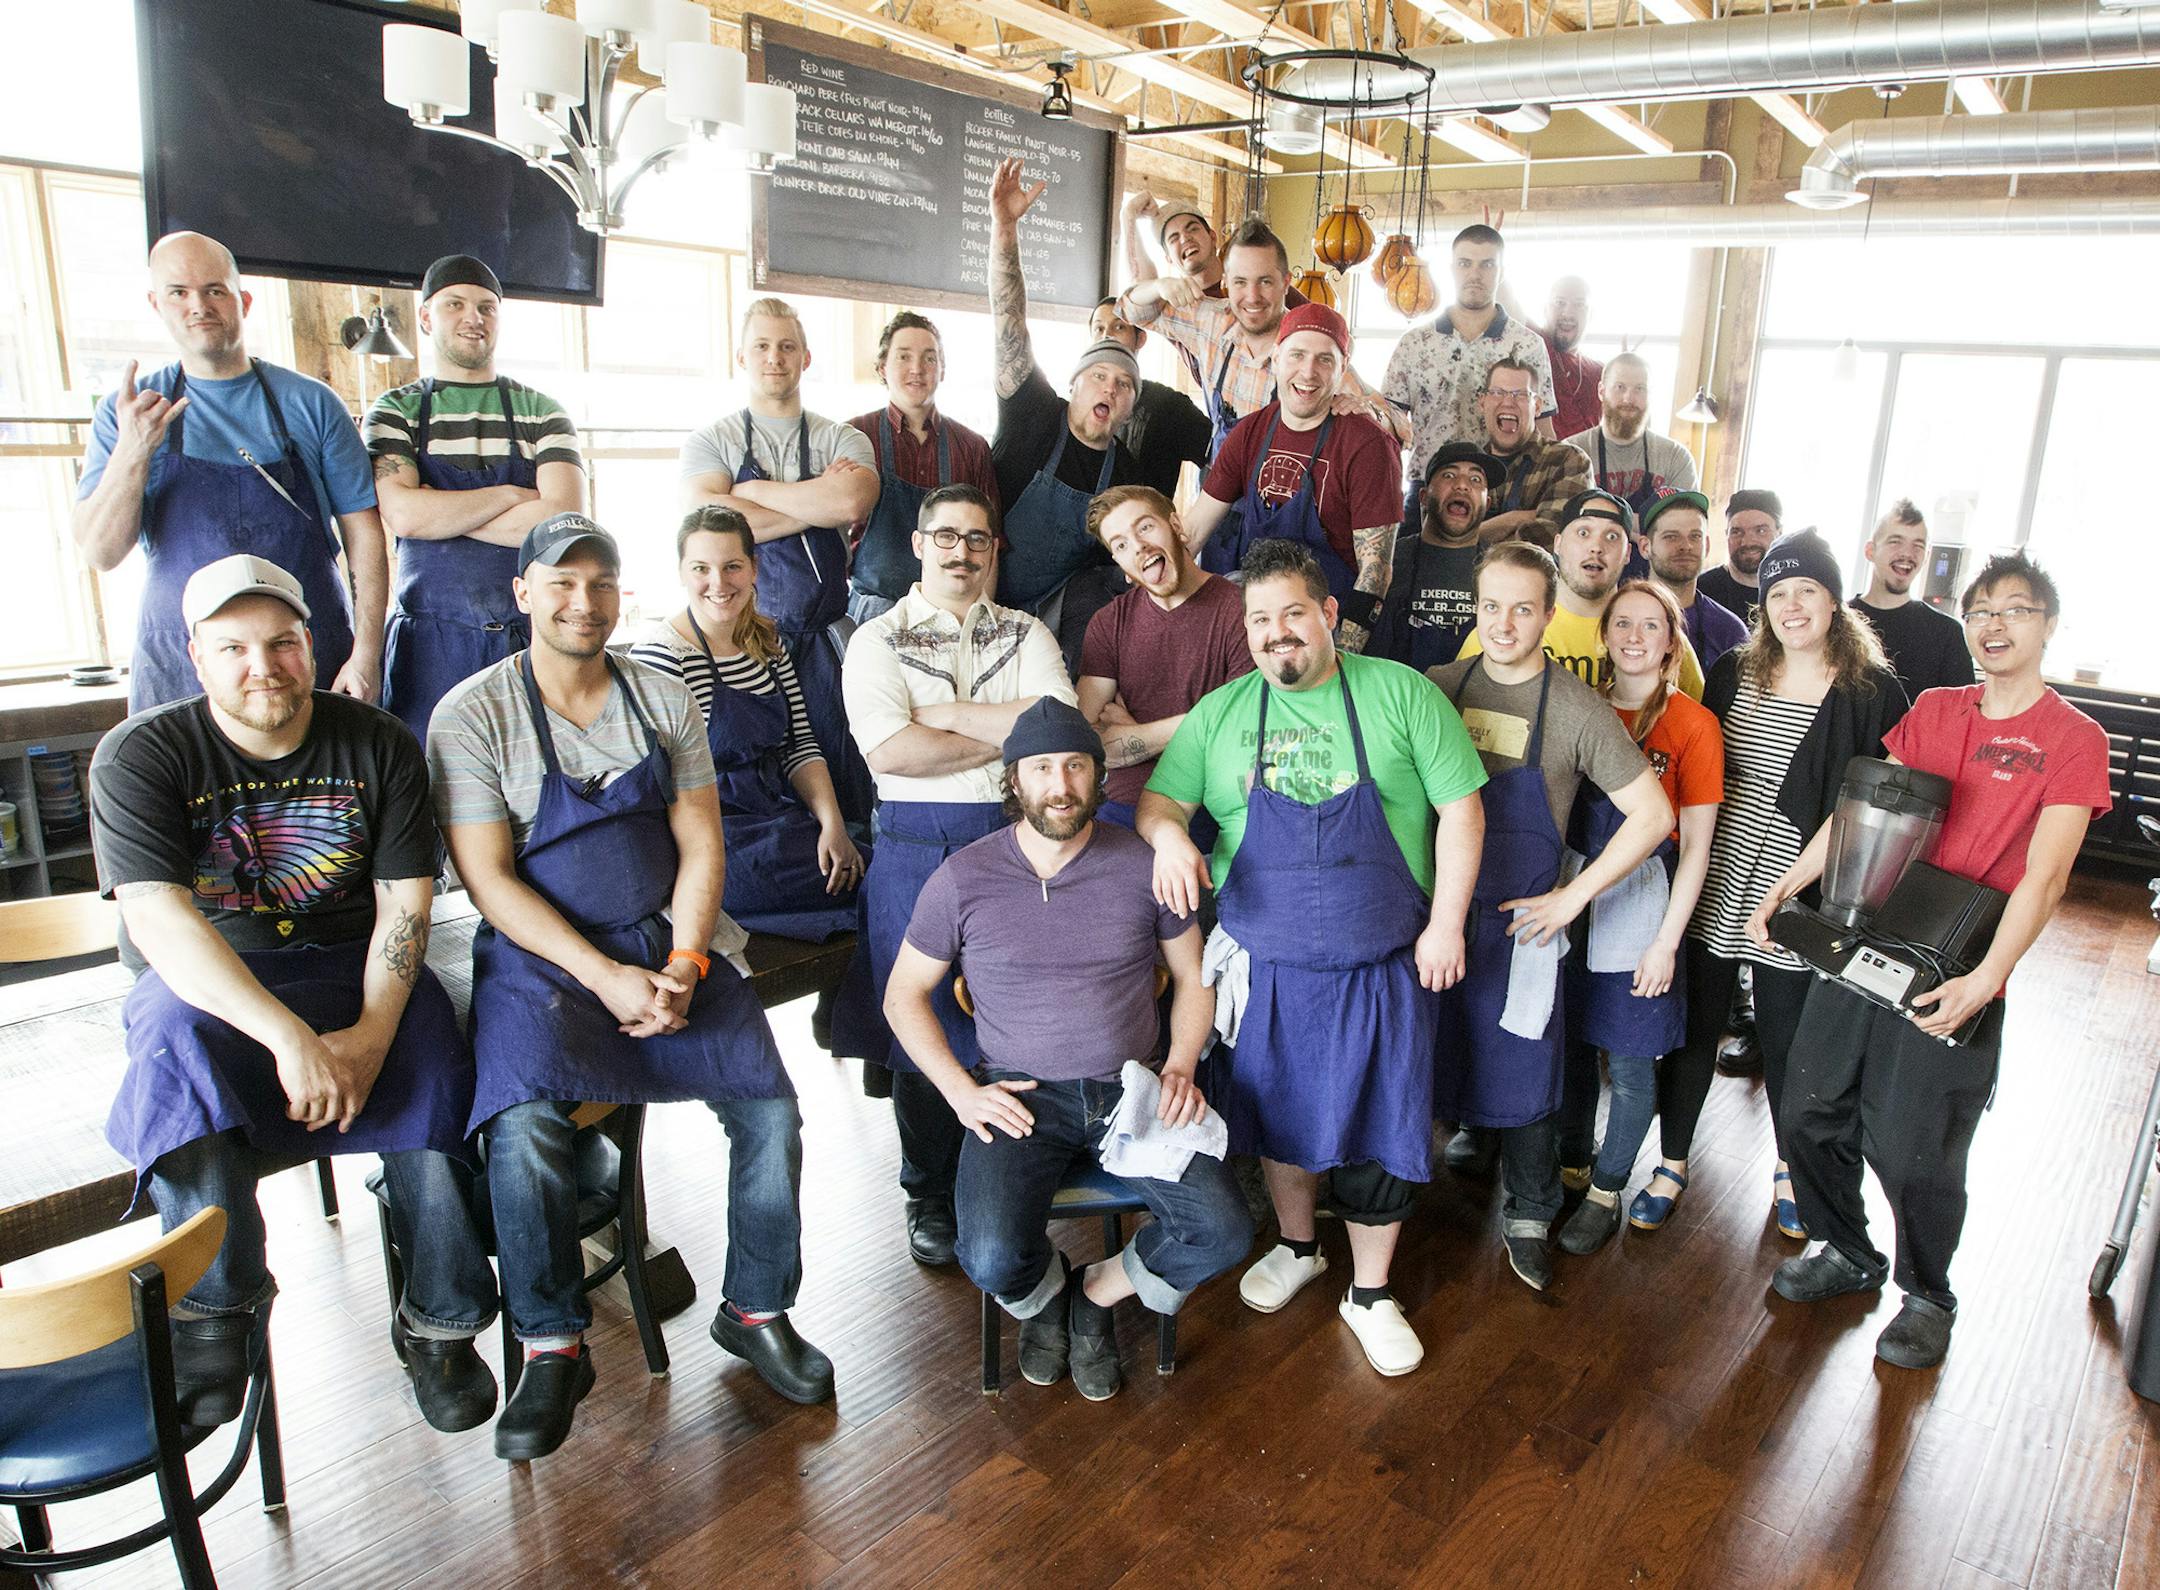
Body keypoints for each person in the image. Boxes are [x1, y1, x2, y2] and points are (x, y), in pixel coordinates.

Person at [429, 514, 829, 1461]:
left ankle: (757, 1309)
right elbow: (489, 881)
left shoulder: (660, 695)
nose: (583, 601)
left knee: (769, 1115)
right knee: (523, 1129)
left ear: (621, 594)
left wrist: (686, 962)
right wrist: (605, 977)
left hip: (666, 938)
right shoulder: (471, 715)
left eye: (601, 583)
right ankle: (551, 1341)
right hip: (545, 962)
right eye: (561, 583)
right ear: (522, 593)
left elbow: (701, 840)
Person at [88, 554, 484, 1435]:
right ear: (193, 655)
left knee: (433, 1040)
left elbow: (406, 905)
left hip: (349, 961)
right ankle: (215, 1313)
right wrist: (290, 1042)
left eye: (281, 643)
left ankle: (441, 1321)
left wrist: (373, 1033)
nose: (261, 666)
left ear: (314, 645)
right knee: (168, 1049)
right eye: (232, 647)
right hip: (216, 980)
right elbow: (160, 923)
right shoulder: (141, 752)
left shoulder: (378, 743)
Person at [1139, 539, 1487, 1377]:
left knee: (1383, 1125)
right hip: (1270, 971)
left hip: (1386, 966)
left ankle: (1370, 1292)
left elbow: (1463, 813)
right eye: (1260, 620)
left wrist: (1446, 926)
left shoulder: (1400, 693)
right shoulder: (1221, 714)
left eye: (1293, 613)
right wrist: (1166, 838)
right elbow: (1159, 800)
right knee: (1280, 1120)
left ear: (1330, 615)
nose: (1275, 634)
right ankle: (1300, 1248)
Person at [1755, 552, 2109, 1370]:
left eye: (2015, 610)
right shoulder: (1938, 709)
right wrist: (1789, 884)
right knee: (1808, 1106)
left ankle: (1927, 1293)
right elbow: (1860, 809)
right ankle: (1847, 1251)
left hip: (1964, 944)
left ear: (2047, 625)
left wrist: (1989, 980)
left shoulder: (2072, 738)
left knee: (1916, 1144)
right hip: (1878, 924)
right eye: (1981, 609)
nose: (1994, 624)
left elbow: (2047, 876)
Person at [885, 699, 1253, 1400]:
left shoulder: (1144, 865)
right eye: (1043, 768)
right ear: (1014, 782)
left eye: (1076, 766)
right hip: (1020, 1096)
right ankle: (1046, 1296)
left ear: (1099, 776)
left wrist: (1179, 1065)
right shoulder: (962, 878)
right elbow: (902, 997)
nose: (1061, 784)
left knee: (1225, 1231)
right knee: (988, 1257)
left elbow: (1192, 977)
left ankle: (1097, 1294)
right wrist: (963, 1092)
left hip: (1131, 1090)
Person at [1635, 531, 1909, 1244]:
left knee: (1789, 1041)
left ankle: (1790, 1169)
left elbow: (1871, 809)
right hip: (1722, 867)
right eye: (1778, 593)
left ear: (1834, 600)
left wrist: (1790, 891)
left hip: (1802, 887)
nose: (1791, 606)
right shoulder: (1733, 671)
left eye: (1806, 591)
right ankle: (1670, 1161)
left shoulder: (1870, 691)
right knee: (1695, 1029)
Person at [832, 484, 1077, 1268]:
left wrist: (944, 716)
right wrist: (1007, 731)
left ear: (995, 548)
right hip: (915, 840)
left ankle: (1010, 1176)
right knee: (922, 1019)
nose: (962, 552)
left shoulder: (1027, 630)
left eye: (978, 538)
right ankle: (928, 1191)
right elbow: (890, 752)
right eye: (947, 537)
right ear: (917, 544)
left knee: (1020, 1009)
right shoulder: (877, 639)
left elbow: (1056, 727)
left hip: (1017, 840)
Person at [1429, 543, 1671, 1291]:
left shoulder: (1574, 708)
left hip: (1523, 922)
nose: (1504, 624)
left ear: (1549, 613)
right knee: (1442, 1048)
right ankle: (1436, 1165)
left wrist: (1573, 898)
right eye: (1491, 606)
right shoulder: (1438, 686)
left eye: (1523, 608)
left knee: (1529, 1066)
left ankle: (1531, 1209)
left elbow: (1654, 815)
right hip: (1440, 913)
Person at [74, 231, 387, 713]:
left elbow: (364, 533)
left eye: (214, 290)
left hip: (305, 654)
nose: (198, 305)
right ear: (157, 304)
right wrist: (132, 453)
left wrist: (367, 652)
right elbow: (101, 552)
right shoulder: (133, 411)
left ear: (242, 300)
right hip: (183, 665)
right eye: (179, 292)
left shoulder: (311, 403)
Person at [1552, 580, 1725, 1254]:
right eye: (1621, 623)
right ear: (1604, 636)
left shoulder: (1693, 725)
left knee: (1627, 1064)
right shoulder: (1584, 710)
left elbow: (1698, 846)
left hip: (1644, 907)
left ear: (1670, 641)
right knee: (1568, 1048)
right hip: (1575, 897)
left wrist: (1665, 943)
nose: (1632, 636)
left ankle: (1607, 1187)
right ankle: (1573, 1161)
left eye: (1649, 626)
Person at [366, 253, 588, 746]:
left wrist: (439, 509)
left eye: (487, 307)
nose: (474, 318)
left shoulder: (541, 411)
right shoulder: (395, 410)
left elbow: (561, 521)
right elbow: (401, 514)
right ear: (425, 317)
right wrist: (514, 495)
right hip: (428, 647)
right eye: (455, 305)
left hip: (526, 640)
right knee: (429, 792)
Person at [680, 296, 879, 824]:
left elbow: (852, 502)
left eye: (787, 346)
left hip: (827, 647)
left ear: (806, 358)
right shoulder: (710, 440)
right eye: (762, 346)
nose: (775, 357)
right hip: (744, 643)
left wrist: (751, 491)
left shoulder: (844, 437)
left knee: (842, 781)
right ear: (741, 358)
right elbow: (708, 519)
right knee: (761, 784)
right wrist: (814, 502)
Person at [629, 507, 865, 941]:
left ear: (755, 568)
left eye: (733, 566)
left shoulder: (768, 644)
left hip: (778, 817)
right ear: (681, 571)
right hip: (713, 839)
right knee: (876, 889)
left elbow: (800, 747)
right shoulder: (664, 656)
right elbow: (656, 790)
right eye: (701, 568)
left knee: (865, 861)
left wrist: (832, 826)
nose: (718, 584)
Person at [988, 160, 1149, 668]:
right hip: (983, 591)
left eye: (1124, 385)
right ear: (1074, 384)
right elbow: (1008, 318)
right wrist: (1004, 228)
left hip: (1054, 616)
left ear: (1128, 408)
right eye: (1099, 376)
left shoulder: (1123, 473)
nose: (1111, 387)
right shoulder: (1033, 412)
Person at [1179, 302, 1404, 654]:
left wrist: (1341, 656)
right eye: (1297, 355)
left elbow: (1377, 570)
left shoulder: (1367, 443)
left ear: (1342, 368)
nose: (1308, 372)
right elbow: (1192, 534)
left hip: (1334, 622)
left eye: (1324, 360)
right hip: (1264, 626)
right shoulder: (1250, 433)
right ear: (1276, 358)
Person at [1119, 218, 1402, 461]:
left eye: (1265, 281)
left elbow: (1396, 429)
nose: (1252, 297)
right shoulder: (1210, 320)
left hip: (1283, 510)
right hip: (1217, 500)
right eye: (1241, 282)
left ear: (1286, 282)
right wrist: (1158, 285)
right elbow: (1130, 310)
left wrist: (1370, 412)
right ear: (1226, 282)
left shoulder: (1311, 345)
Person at [1075, 486, 1254, 830]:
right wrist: (1199, 727)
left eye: (1145, 527)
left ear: (1177, 525)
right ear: (1122, 566)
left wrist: (1135, 734)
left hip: (1211, 806)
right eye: (1121, 544)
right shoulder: (1109, 622)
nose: (1138, 546)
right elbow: (1090, 745)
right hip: (1121, 807)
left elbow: (1240, 733)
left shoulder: (1242, 610)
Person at [1381, 225, 1557, 524]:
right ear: (1451, 269)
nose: (1475, 274)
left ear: (1502, 271)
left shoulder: (1527, 345)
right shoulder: (1415, 343)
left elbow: (1544, 431)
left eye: (1487, 264)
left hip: (1501, 494)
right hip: (1426, 492)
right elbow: (1387, 427)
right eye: (1465, 263)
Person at [1460, 489, 1706, 698]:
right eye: (1583, 533)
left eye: (1611, 536)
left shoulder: (1660, 639)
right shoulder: (1503, 631)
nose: (1596, 547)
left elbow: (1696, 723)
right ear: (1558, 544)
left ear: (1628, 554)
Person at [844, 310, 999, 626]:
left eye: (929, 358)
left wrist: (978, 618)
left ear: (942, 370)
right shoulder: (854, 436)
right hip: (873, 612)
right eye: (904, 357)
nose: (917, 368)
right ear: (882, 368)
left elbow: (990, 544)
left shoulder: (971, 446)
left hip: (951, 613)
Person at [1370, 442, 1504, 671]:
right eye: (1449, 475)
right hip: (1399, 700)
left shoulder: (1503, 571)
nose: (1462, 486)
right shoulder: (1385, 560)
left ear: (1487, 503)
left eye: (1475, 480)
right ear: (1423, 496)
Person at [1089, 296, 1212, 500]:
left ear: (1140, 339)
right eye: (1099, 328)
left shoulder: (1170, 406)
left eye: (1119, 327)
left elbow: (1221, 460)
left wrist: (1199, 520)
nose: (1107, 336)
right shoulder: (1077, 403)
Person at [1561, 352, 1698, 531]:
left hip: (1652, 559)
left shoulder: (1676, 457)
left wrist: (1600, 517)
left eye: (1640, 389)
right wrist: (1648, 525)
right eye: (1620, 387)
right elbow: (1563, 522)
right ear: (1601, 391)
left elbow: (1683, 526)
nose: (1628, 398)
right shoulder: (1570, 453)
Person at [1852, 499, 1974, 700]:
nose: (1907, 553)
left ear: (1926, 557)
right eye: (1895, 542)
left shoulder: (1946, 633)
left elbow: (1961, 713)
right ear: (1870, 551)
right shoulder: (1838, 621)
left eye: (1917, 545)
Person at [1468, 360, 1590, 549]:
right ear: (1482, 403)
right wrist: (1514, 519)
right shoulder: (1466, 469)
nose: (1508, 402)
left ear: (1538, 406)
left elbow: (1555, 538)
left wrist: (1472, 538)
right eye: (1497, 392)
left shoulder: (1568, 460)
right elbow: (1440, 540)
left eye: (1521, 395)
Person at [1639, 492, 1749, 671]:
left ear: (1707, 545)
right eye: (1671, 536)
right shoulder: (1616, 617)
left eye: (1695, 536)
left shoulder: (1729, 630)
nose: (1685, 546)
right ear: (1645, 547)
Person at [1698, 489, 1782, 624]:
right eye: (1737, 532)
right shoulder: (1701, 592)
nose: (1747, 542)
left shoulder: (1792, 593)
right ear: (1727, 535)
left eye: (1760, 531)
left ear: (1779, 533)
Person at [1538, 276, 1602, 443]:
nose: (1568, 312)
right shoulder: (1531, 345)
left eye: (1579, 304)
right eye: (1559, 303)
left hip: (1585, 466)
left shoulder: (1602, 373)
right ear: (1545, 309)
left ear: (1592, 314)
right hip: (1537, 465)